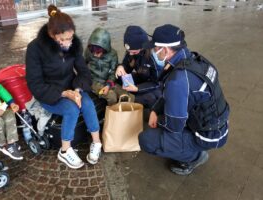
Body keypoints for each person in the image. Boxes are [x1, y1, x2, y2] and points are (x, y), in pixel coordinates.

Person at [139, 24, 230, 175]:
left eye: (155, 49)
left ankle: (194, 157)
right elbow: (172, 94)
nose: (154, 53)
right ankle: (189, 146)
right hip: (217, 123)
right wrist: (155, 110)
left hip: (209, 135)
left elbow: (174, 126)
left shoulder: (178, 80)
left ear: (165, 50)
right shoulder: (193, 59)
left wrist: (159, 119)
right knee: (157, 112)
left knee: (147, 139)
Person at [25, 5, 102, 169]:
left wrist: (78, 90)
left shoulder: (74, 44)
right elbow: (35, 84)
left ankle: (97, 142)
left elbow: (83, 71)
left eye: (71, 38)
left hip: (72, 87)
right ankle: (65, 151)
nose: (68, 43)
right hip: (49, 92)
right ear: (52, 35)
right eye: (63, 40)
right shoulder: (35, 49)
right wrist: (63, 93)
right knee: (71, 109)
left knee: (87, 103)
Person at [115, 25, 163, 109]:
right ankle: (128, 95)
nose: (130, 54)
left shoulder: (154, 56)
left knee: (152, 98)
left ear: (142, 47)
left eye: (134, 52)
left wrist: (137, 88)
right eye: (128, 51)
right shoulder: (132, 51)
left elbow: (156, 82)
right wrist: (121, 67)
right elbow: (127, 66)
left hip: (155, 84)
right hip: (141, 77)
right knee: (119, 77)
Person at [85, 27, 132, 105]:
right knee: (111, 96)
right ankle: (109, 115)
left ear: (105, 48)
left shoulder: (113, 54)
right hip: (94, 82)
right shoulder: (87, 52)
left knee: (127, 95)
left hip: (108, 81)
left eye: (98, 52)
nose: (95, 54)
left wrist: (108, 84)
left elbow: (113, 72)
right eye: (92, 51)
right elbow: (83, 66)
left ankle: (124, 113)